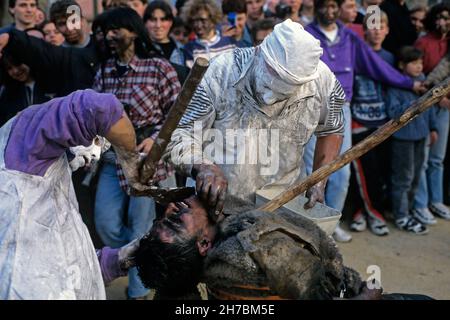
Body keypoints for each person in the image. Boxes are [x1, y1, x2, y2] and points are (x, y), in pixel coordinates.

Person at [163, 19, 346, 216]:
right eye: (272, 76)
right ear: (259, 51)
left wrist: (319, 180)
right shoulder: (221, 71)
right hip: (217, 205)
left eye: (286, 86)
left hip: (282, 203)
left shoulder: (324, 82)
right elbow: (179, 135)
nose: (272, 94)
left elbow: (332, 130)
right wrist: (203, 167)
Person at [134, 194, 434, 300]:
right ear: (203, 244)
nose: (171, 208)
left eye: (165, 216)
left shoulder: (221, 243)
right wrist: (367, 296)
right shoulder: (250, 254)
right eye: (175, 222)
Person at [0, 89, 140, 299]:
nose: (95, 154)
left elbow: (71, 265)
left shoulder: (55, 176)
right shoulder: (26, 142)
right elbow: (100, 108)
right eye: (96, 141)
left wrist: (122, 258)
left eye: (103, 149)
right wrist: (130, 159)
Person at [304, 0, 423, 243]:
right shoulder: (305, 35)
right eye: (324, 6)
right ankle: (308, 229)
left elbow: (378, 67)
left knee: (341, 172)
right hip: (310, 108)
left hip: (341, 109)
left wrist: (410, 83)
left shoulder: (350, 37)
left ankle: (329, 226)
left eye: (333, 6)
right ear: (316, 7)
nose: (329, 10)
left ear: (338, 9)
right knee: (310, 171)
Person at [92, 6, 181, 300]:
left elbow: (178, 113)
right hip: (113, 158)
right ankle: (146, 252)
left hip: (149, 162)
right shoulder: (104, 71)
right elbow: (93, 114)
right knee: (105, 224)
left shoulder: (159, 67)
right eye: (105, 31)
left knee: (141, 226)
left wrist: (156, 140)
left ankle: (138, 293)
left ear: (133, 31)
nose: (109, 36)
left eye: (116, 29)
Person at [348, 11, 393, 236]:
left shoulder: (389, 58)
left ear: (387, 30)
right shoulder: (355, 55)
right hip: (358, 120)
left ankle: (370, 209)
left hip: (383, 122)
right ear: (364, 30)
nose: (376, 31)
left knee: (378, 171)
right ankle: (367, 212)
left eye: (380, 26)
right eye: (371, 26)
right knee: (362, 171)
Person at [386, 46, 438, 235]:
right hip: (403, 139)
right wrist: (413, 102)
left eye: (420, 62)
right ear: (401, 65)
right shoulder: (396, 85)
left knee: (416, 176)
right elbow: (393, 112)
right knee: (403, 178)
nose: (419, 66)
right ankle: (401, 216)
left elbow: (431, 107)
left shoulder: (423, 80)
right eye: (414, 63)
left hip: (421, 136)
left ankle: (408, 211)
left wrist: (433, 128)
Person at [180, 0, 238, 68]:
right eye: (194, 21)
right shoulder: (189, 48)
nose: (198, 25)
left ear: (213, 20)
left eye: (203, 20)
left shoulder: (230, 43)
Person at [0, 52, 51, 126]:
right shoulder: (8, 93)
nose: (15, 71)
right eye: (9, 68)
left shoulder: (51, 83)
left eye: (17, 64)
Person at [143, 0, 185, 65]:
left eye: (163, 20)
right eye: (153, 20)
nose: (158, 25)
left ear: (171, 22)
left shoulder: (182, 50)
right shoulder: (138, 49)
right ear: (145, 23)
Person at [414, 3, 449, 75]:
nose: (441, 22)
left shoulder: (448, 41)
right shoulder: (423, 42)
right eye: (438, 18)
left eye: (446, 18)